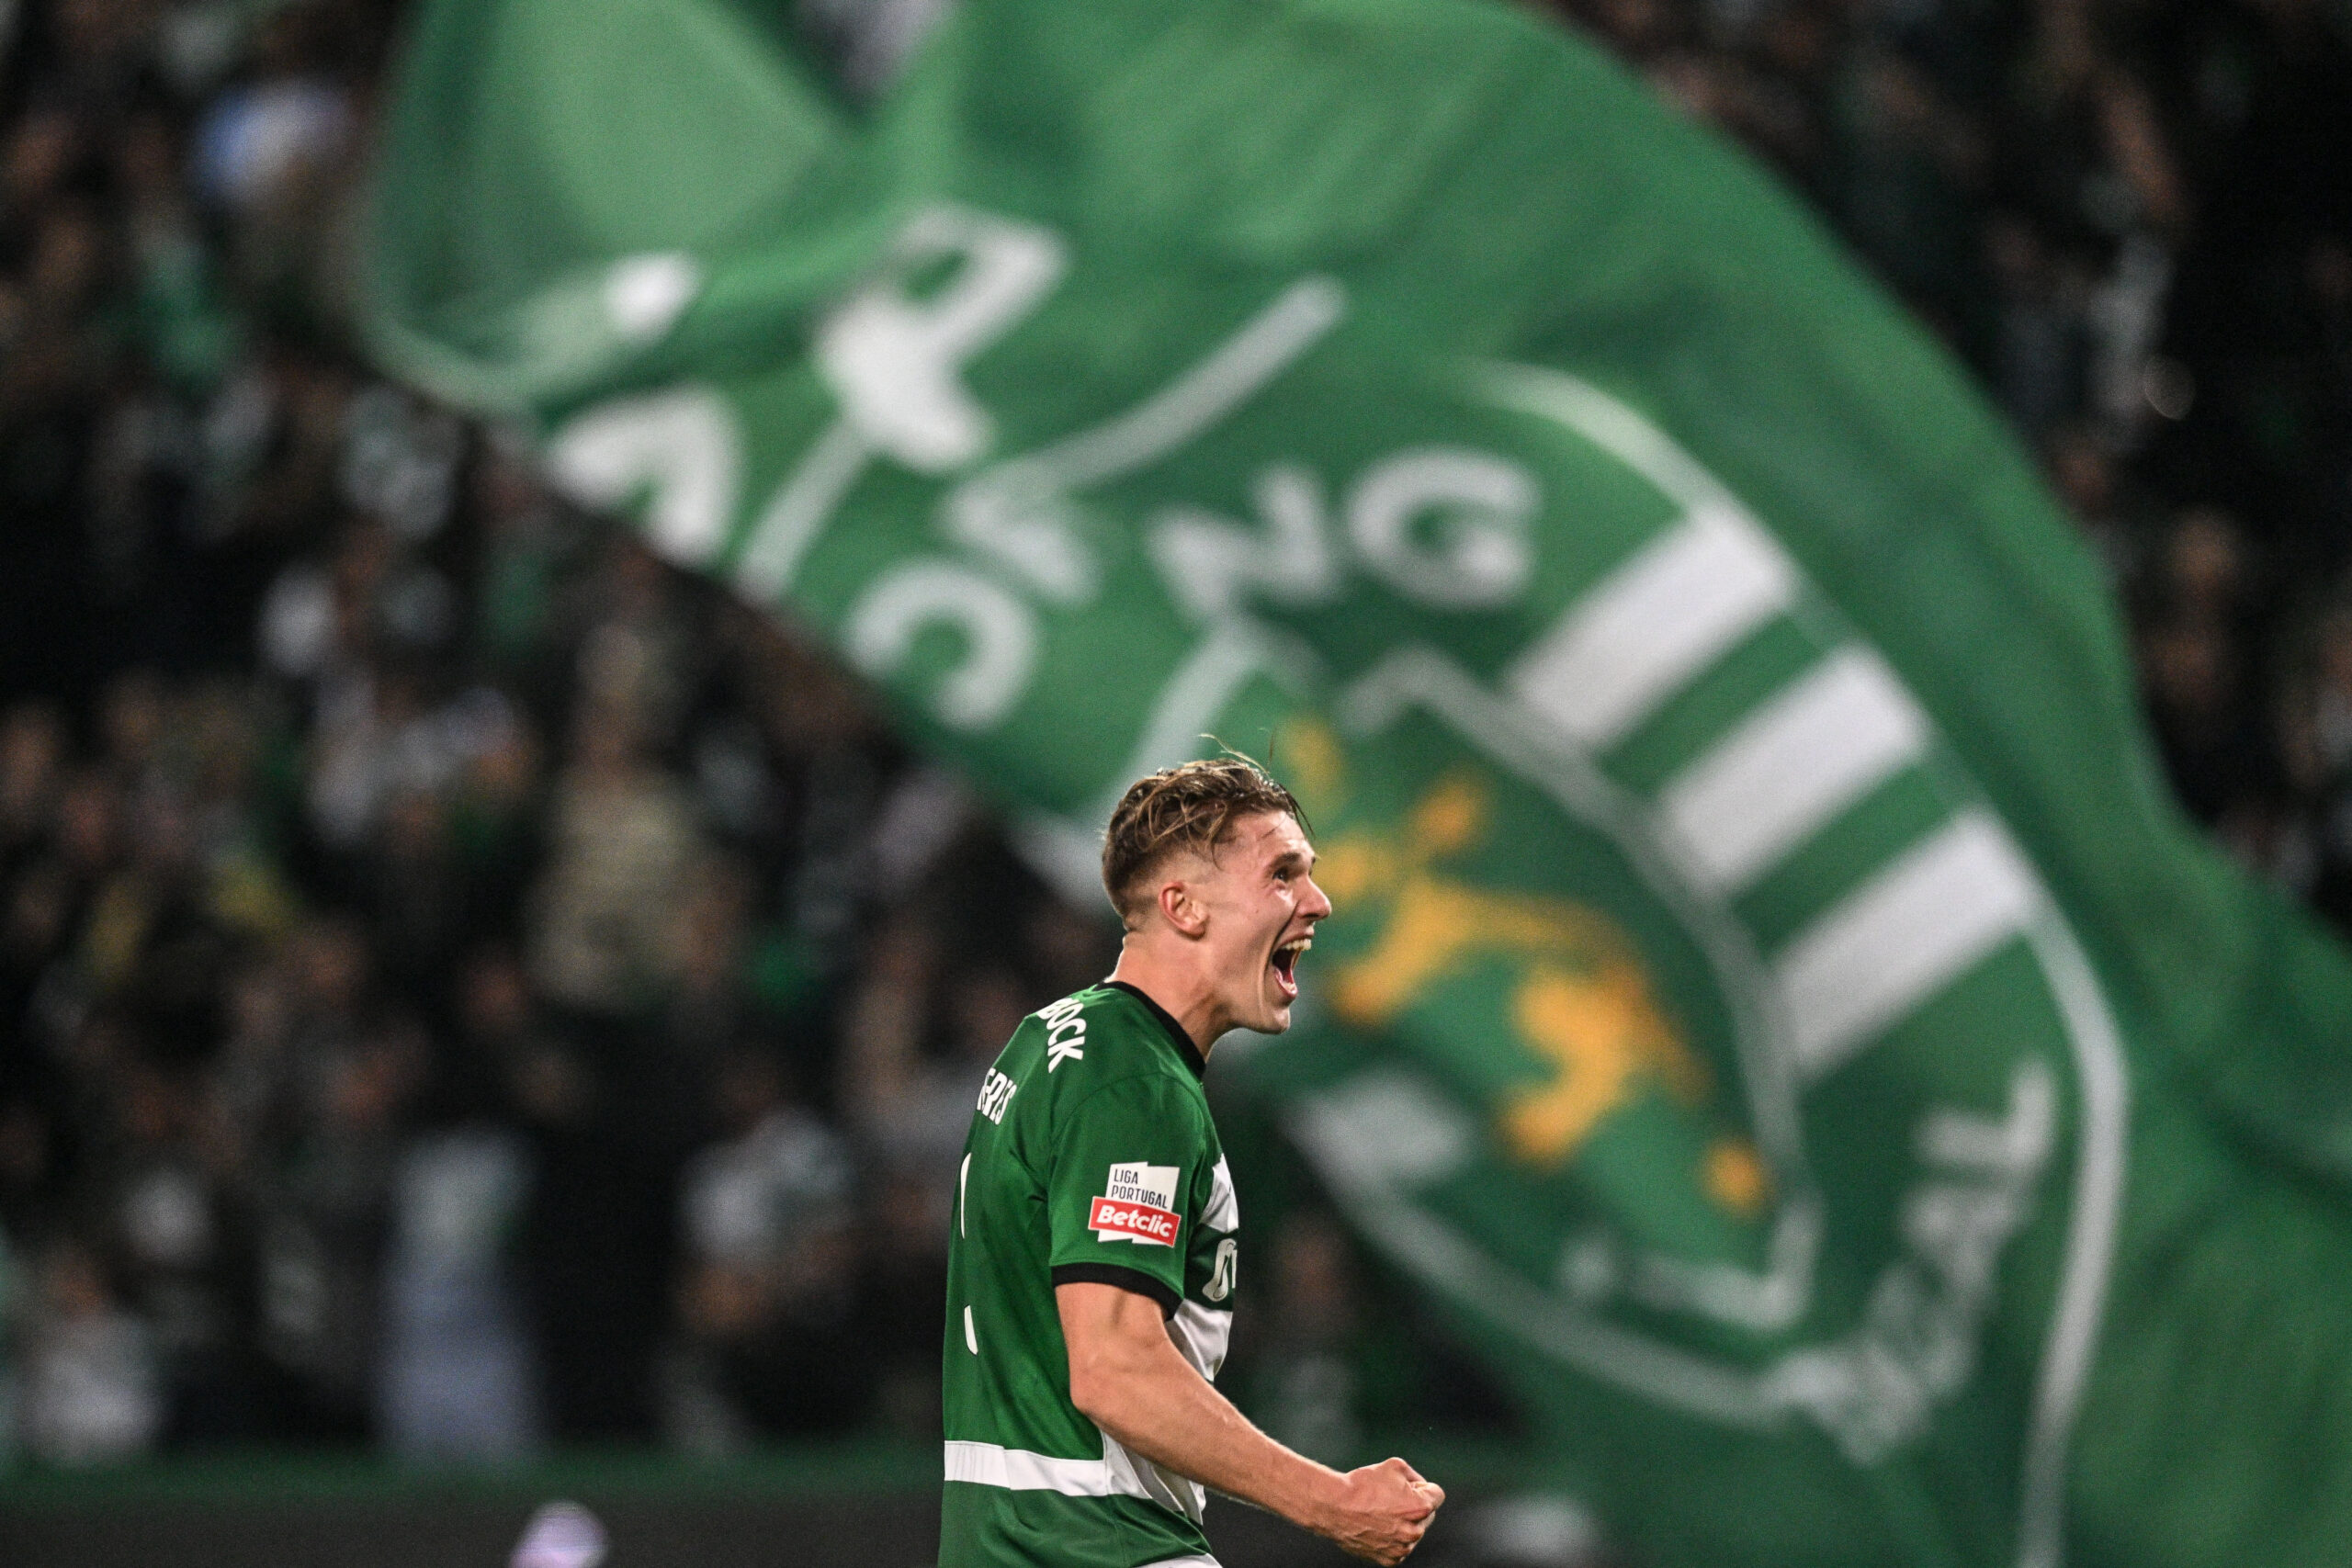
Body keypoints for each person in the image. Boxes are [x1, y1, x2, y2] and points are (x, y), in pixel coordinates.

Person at [939, 755, 1443, 1568]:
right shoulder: (1134, 1083)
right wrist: (1332, 1500)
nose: (1317, 902)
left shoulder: (1051, 1040)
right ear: (1183, 905)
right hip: (1096, 1544)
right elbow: (1113, 1366)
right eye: (1283, 874)